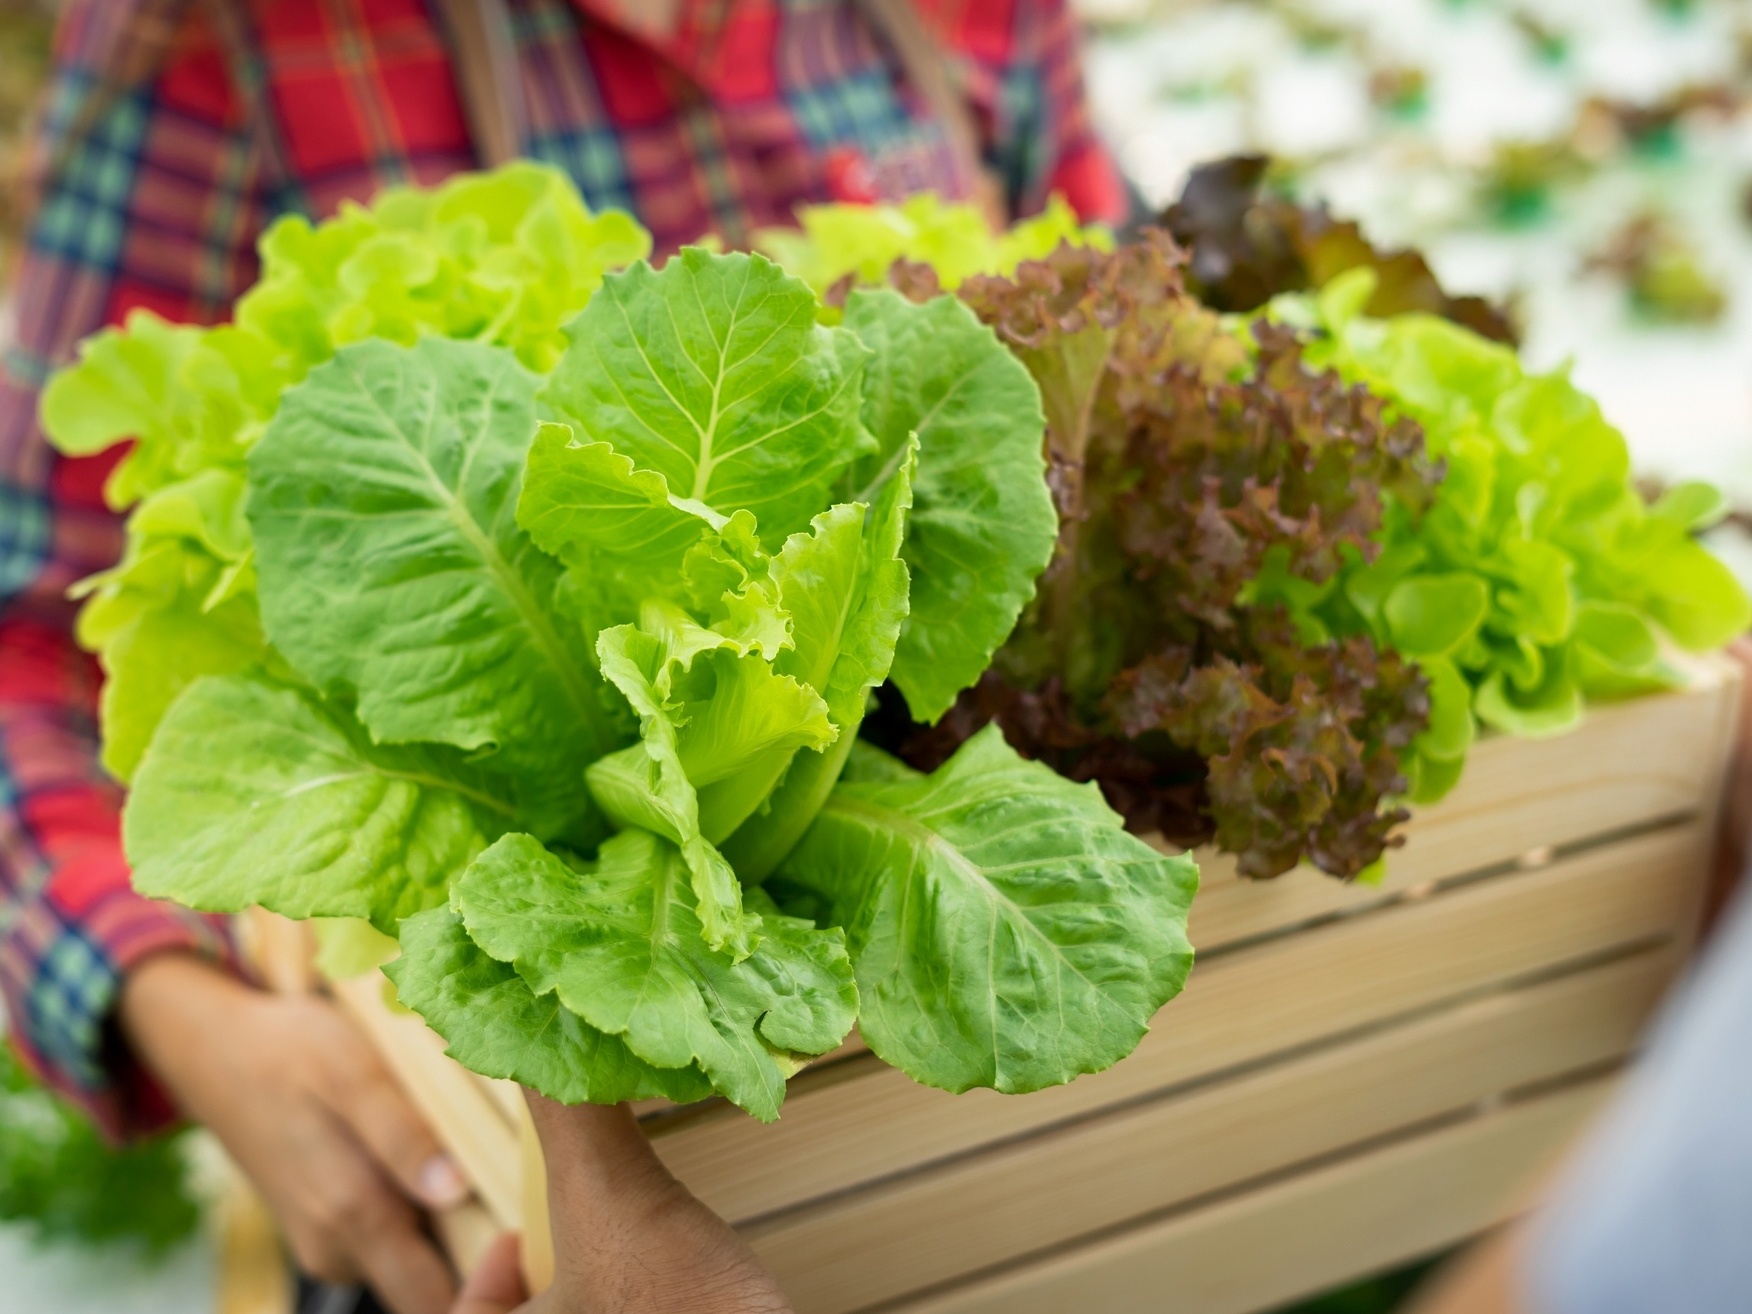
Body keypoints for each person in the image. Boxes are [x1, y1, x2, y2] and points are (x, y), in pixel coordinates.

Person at [0, 2, 1125, 1312]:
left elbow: (1098, 336)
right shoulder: (231, 40)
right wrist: (191, 1019)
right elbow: (25, 643)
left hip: (968, 1168)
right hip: (467, 1171)